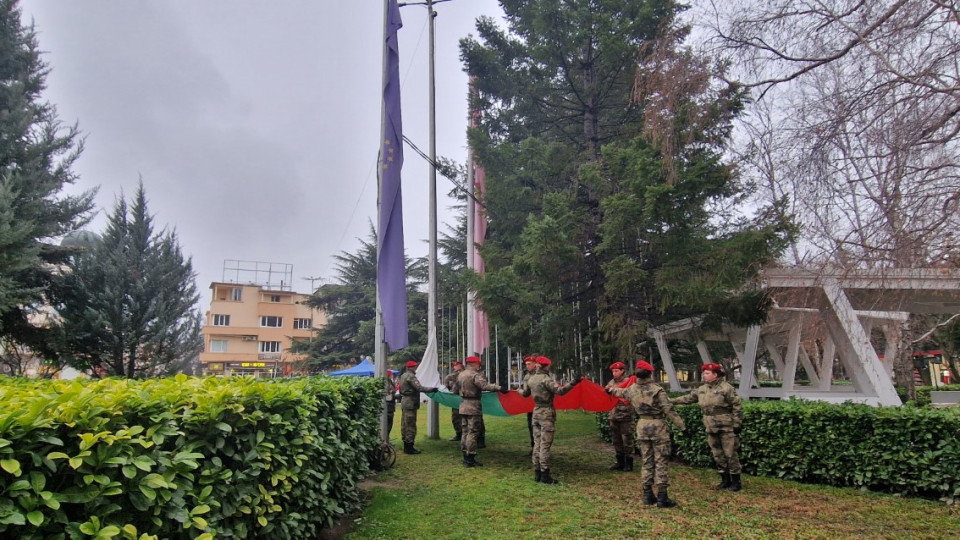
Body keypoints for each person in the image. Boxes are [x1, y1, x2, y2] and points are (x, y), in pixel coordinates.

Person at [606, 360, 685, 508]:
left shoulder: (632, 389)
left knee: (646, 461)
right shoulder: (657, 390)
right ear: (650, 373)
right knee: (660, 461)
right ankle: (662, 497)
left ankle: (647, 495)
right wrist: (682, 427)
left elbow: (619, 392)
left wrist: (609, 390)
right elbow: (669, 410)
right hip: (658, 427)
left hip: (642, 427)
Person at [672, 362, 744, 491]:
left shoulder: (726, 388)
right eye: (704, 373)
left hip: (726, 426)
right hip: (710, 426)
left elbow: (737, 406)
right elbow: (688, 398)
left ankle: (736, 481)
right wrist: (670, 400)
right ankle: (725, 480)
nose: (704, 375)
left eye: (707, 373)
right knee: (717, 454)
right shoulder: (702, 389)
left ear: (715, 374)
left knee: (730, 453)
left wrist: (737, 423)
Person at [518, 355, 580, 484]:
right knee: (545, 445)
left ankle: (537, 473)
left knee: (537, 444)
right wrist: (573, 383)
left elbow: (525, 394)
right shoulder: (546, 379)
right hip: (546, 413)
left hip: (536, 413)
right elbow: (561, 391)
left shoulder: (531, 379)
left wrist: (518, 390)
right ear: (546, 366)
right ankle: (545, 474)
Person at [456, 355, 504, 467]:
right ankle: (470, 458)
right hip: (473, 406)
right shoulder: (475, 375)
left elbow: (454, 389)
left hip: (463, 405)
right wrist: (499, 388)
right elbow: (484, 386)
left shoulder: (460, 375)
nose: (479, 366)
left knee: (465, 431)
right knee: (473, 432)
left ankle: (465, 455)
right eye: (478, 364)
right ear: (474, 364)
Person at [397, 360, 437, 455]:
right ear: (411, 367)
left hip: (404, 402)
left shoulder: (403, 375)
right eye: (415, 366)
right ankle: (409, 447)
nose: (416, 368)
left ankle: (406, 445)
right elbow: (419, 388)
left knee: (404, 424)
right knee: (410, 424)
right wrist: (432, 389)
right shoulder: (411, 376)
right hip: (410, 402)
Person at [605, 361, 637, 471]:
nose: (614, 373)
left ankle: (629, 463)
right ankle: (619, 462)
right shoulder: (611, 382)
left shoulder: (629, 382)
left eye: (616, 371)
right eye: (613, 371)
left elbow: (630, 395)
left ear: (622, 371)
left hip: (625, 416)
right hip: (614, 415)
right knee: (616, 440)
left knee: (627, 440)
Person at [443, 361, 465, 441]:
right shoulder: (452, 376)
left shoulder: (464, 374)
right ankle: (459, 434)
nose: (454, 367)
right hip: (455, 400)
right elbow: (447, 386)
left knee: (466, 418)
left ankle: (467, 435)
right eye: (454, 366)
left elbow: (448, 378)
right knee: (455, 418)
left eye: (456, 366)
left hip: (464, 399)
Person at [384, 369, 398, 438]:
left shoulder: (390, 382)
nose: (392, 376)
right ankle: (386, 439)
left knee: (389, 424)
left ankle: (387, 439)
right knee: (388, 424)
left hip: (391, 406)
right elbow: (388, 395)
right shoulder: (387, 383)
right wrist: (394, 393)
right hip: (388, 406)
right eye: (391, 374)